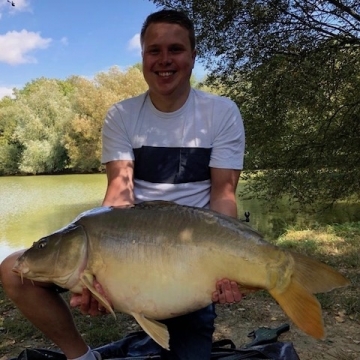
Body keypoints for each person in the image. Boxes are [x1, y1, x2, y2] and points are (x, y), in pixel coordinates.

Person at [0, 9, 245, 360]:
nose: (164, 60)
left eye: (175, 49)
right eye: (153, 51)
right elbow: (119, 191)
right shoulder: (122, 115)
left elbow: (223, 195)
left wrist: (230, 262)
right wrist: (94, 272)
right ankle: (81, 356)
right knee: (12, 270)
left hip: (190, 255)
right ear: (143, 56)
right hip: (127, 246)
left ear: (192, 56)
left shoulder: (221, 113)